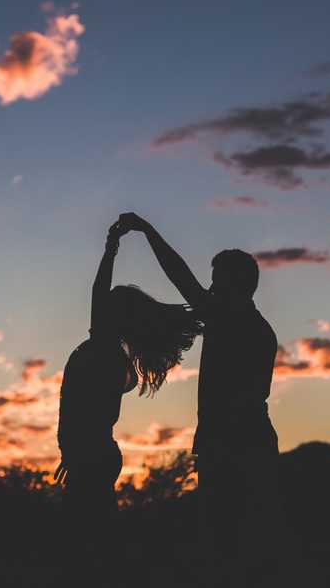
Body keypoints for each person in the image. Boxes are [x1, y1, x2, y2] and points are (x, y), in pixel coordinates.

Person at [116, 213, 282, 576]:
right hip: (246, 442)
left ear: (236, 287)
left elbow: (180, 277)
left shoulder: (233, 321)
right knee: (244, 550)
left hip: (232, 446)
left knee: (227, 550)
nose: (210, 290)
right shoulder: (254, 327)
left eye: (217, 284)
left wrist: (148, 230)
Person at [55, 220, 202, 564]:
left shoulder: (104, 350)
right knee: (93, 542)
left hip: (92, 454)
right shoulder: (108, 351)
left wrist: (111, 249)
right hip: (93, 453)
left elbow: (84, 413)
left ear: (114, 316)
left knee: (86, 549)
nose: (98, 305)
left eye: (107, 304)